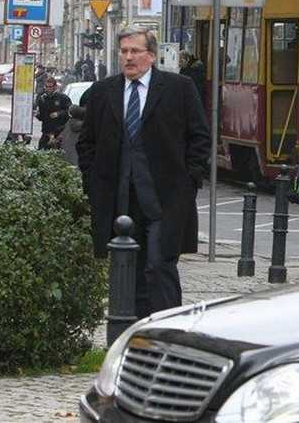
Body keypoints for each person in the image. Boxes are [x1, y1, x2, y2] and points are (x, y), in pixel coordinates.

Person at [77, 29, 210, 318]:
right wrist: (92, 182)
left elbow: (199, 138)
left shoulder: (178, 88)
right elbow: (87, 142)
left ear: (151, 55)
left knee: (159, 264)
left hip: (165, 198)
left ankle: (169, 331)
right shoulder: (103, 92)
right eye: (123, 51)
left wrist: (189, 183)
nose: (128, 57)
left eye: (135, 51)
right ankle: (133, 333)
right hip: (119, 197)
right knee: (127, 268)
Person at [35, 77, 72, 150]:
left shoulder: (63, 98)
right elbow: (42, 117)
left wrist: (58, 114)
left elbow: (69, 112)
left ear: (55, 87)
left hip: (59, 133)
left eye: (50, 87)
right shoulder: (42, 99)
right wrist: (38, 115)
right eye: (46, 86)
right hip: (46, 132)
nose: (47, 89)